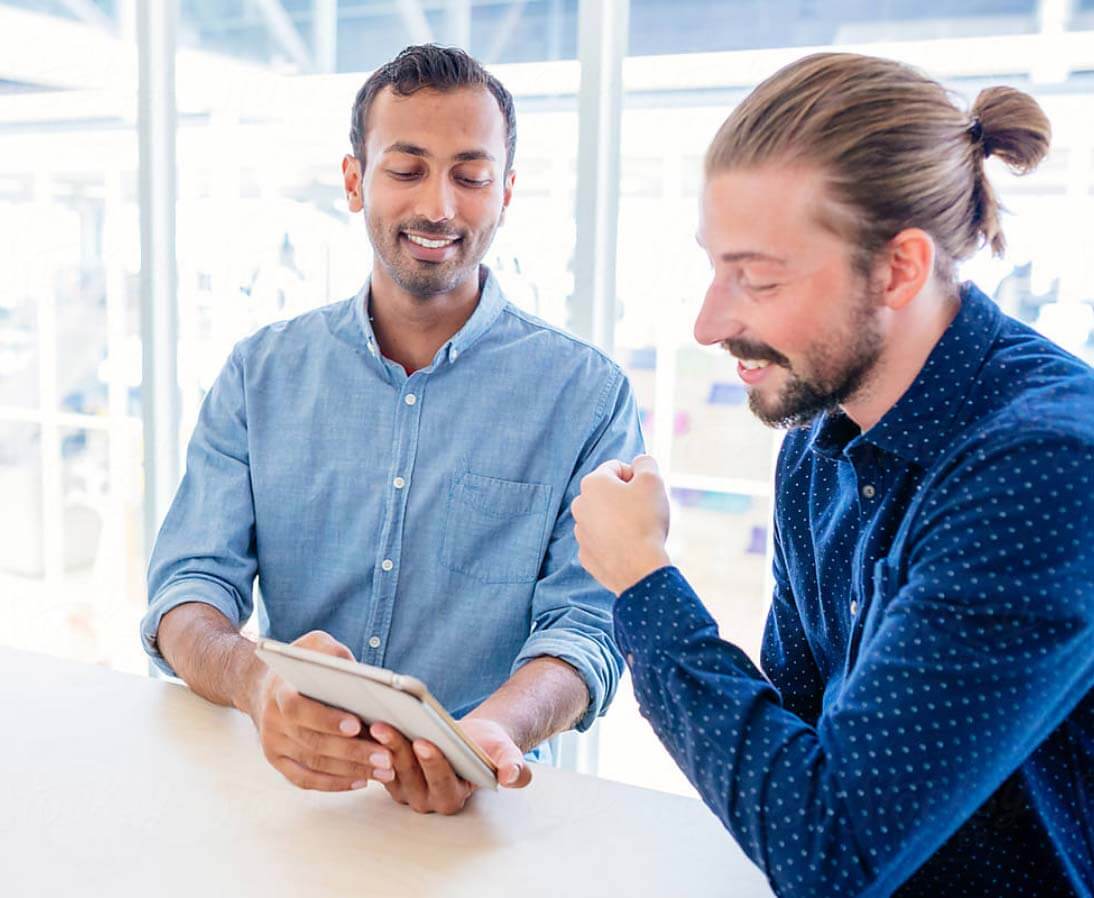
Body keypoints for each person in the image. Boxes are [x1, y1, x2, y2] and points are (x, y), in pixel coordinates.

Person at [572, 52, 1093, 896]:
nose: (710, 323)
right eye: (715, 266)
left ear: (899, 269)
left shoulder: (1047, 467)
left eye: (759, 279)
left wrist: (642, 579)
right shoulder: (818, 442)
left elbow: (831, 848)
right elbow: (791, 767)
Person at [141, 45, 643, 816]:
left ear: (505, 192)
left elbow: (588, 624)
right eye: (406, 169)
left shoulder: (587, 396)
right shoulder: (260, 374)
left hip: (494, 814)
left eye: (471, 176)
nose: (439, 205)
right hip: (286, 801)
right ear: (355, 181)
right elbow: (186, 592)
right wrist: (256, 682)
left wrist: (492, 733)